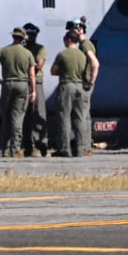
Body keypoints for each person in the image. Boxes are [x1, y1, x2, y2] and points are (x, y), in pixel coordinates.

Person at [0, 27, 37, 157]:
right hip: (22, 84)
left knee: (6, 116)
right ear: (23, 38)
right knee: (17, 117)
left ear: (13, 37)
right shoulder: (28, 54)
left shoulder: (4, 50)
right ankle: (16, 148)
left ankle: (5, 149)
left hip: (7, 83)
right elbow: (32, 74)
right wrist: (33, 90)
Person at [50, 29, 86, 157]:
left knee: (64, 118)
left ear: (69, 39)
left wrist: (64, 72)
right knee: (79, 118)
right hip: (80, 86)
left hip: (67, 86)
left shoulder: (62, 55)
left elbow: (53, 71)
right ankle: (81, 148)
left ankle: (65, 149)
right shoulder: (82, 55)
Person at [21, 23, 49, 157]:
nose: (31, 36)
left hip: (35, 82)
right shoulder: (21, 49)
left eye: (33, 34)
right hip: (25, 82)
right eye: (29, 34)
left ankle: (41, 144)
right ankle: (28, 145)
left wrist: (26, 68)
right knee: (25, 115)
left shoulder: (40, 49)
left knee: (38, 113)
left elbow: (39, 65)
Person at [73, 23, 100, 156]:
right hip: (86, 81)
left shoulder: (85, 45)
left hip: (86, 82)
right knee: (85, 115)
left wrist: (91, 80)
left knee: (80, 115)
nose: (72, 32)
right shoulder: (84, 44)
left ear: (81, 30)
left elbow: (95, 63)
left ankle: (82, 147)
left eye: (74, 29)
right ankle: (86, 146)